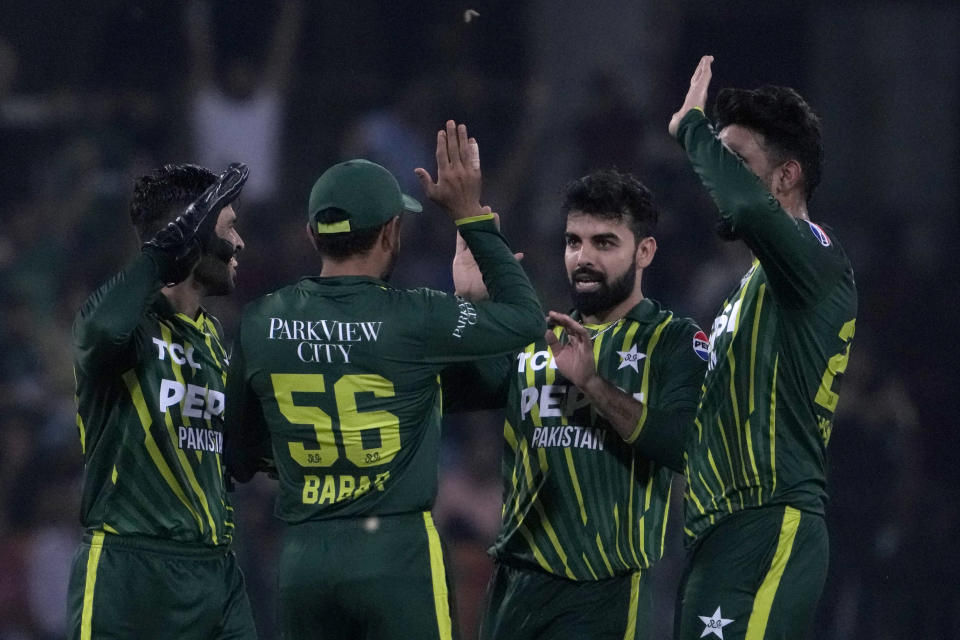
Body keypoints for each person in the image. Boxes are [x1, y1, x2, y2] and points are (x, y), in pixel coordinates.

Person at [223, 120, 545, 640]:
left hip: (305, 560)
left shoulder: (260, 321)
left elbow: (237, 454)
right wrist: (471, 218)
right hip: (398, 555)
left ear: (312, 235)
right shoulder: (415, 316)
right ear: (393, 232)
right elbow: (526, 320)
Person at [444, 168, 708, 639]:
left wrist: (594, 385)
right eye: (573, 242)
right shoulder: (536, 334)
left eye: (604, 243)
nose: (583, 257)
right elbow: (453, 392)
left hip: (602, 591)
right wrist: (473, 308)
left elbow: (689, 449)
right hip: (513, 586)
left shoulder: (674, 341)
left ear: (644, 251)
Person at [667, 56, 857, 639]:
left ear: (786, 175)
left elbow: (746, 207)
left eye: (736, 160)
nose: (718, 177)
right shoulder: (755, 286)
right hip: (721, 528)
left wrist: (692, 130)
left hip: (770, 519)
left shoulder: (815, 256)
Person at [67, 163, 257, 639]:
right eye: (230, 226)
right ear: (190, 236)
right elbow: (99, 332)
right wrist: (162, 255)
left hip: (215, 571)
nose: (240, 244)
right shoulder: (127, 326)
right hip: (128, 572)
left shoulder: (215, 338)